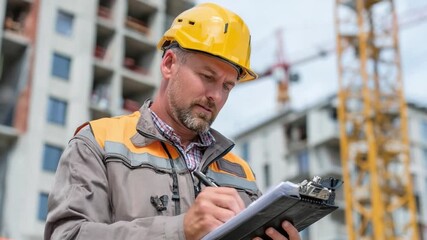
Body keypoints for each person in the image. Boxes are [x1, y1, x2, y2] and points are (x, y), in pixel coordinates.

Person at [44, 3, 301, 240]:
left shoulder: (240, 171)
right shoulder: (98, 143)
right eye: (207, 76)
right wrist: (181, 230)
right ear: (169, 64)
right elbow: (68, 235)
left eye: (227, 86)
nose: (216, 95)